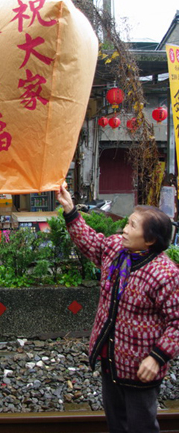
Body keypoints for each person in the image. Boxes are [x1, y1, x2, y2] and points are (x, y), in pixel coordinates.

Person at [57, 184, 179, 433]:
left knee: (141, 426)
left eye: (132, 226)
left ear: (150, 240)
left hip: (141, 368)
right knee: (116, 424)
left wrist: (157, 358)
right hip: (111, 360)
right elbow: (91, 243)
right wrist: (70, 210)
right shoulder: (116, 250)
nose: (124, 229)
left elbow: (176, 322)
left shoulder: (165, 274)